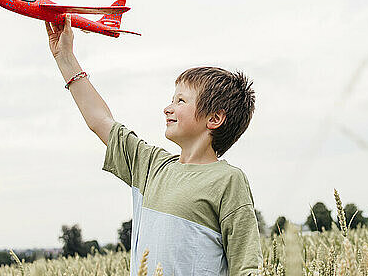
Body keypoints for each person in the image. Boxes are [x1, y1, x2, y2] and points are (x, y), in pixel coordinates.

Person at [45, 14, 262, 276]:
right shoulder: (151, 166)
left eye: (181, 101)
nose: (167, 108)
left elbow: (247, 266)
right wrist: (65, 58)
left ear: (214, 118)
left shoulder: (228, 181)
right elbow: (100, 120)